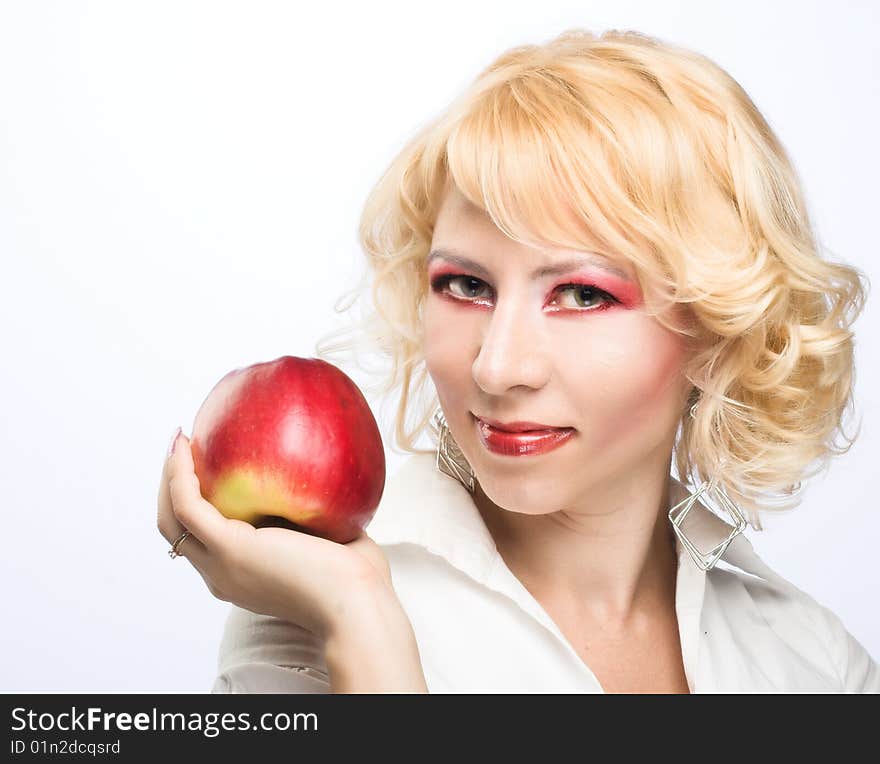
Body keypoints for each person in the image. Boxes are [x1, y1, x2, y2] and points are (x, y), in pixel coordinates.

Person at [157, 28, 879, 693]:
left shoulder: (812, 664)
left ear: (720, 331)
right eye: (466, 286)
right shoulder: (310, 613)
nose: (497, 369)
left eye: (582, 294)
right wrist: (365, 636)